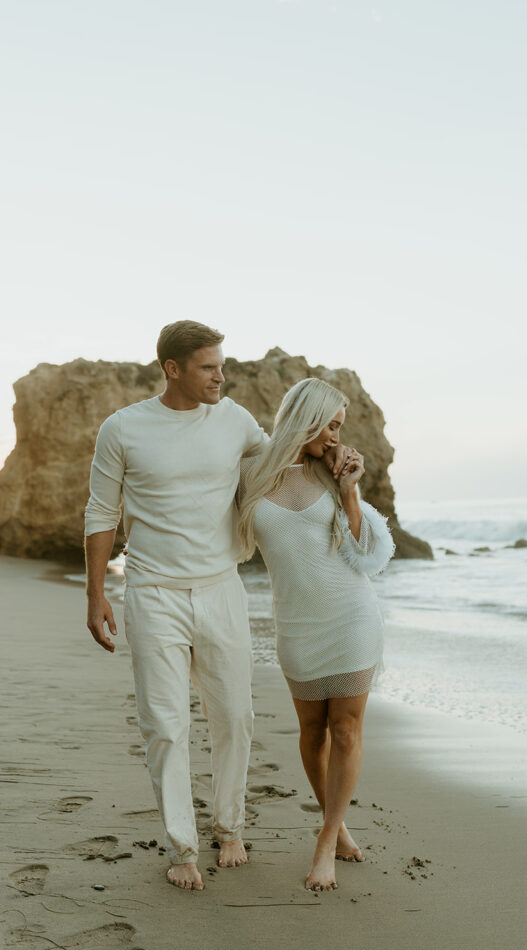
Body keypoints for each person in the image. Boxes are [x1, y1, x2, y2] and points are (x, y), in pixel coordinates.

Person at [84, 321, 356, 891]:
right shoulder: (123, 429)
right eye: (208, 367)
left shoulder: (234, 420)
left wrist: (331, 450)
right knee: (166, 723)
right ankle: (183, 845)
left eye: (221, 365)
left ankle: (228, 826)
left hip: (221, 587)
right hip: (152, 592)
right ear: (173, 369)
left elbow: (282, 463)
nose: (220, 376)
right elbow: (101, 513)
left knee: (234, 715)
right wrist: (95, 595)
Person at [237, 378, 394, 892]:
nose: (334, 438)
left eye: (338, 428)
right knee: (312, 732)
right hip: (296, 625)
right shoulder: (251, 472)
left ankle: (326, 842)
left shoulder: (334, 474)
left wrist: (349, 490)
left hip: (350, 618)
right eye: (328, 425)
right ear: (303, 417)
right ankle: (340, 824)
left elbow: (364, 552)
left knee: (346, 730)